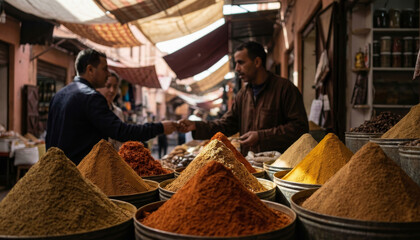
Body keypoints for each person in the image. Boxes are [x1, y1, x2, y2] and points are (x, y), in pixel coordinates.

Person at [46, 48, 177, 164]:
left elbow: (50, 138)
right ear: (90, 69)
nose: (108, 74)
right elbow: (121, 132)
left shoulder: (59, 95)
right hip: (81, 173)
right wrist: (160, 127)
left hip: (58, 171)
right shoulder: (91, 97)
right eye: (104, 69)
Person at [178, 41, 309, 156]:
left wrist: (261, 136)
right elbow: (226, 124)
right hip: (250, 165)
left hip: (279, 167)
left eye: (241, 63)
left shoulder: (284, 89)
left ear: (257, 62)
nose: (236, 69)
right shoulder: (243, 94)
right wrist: (196, 126)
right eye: (236, 64)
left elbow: (299, 128)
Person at [97, 69, 124, 150]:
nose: (112, 90)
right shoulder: (90, 110)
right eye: (108, 86)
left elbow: (120, 141)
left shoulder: (118, 113)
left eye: (115, 87)